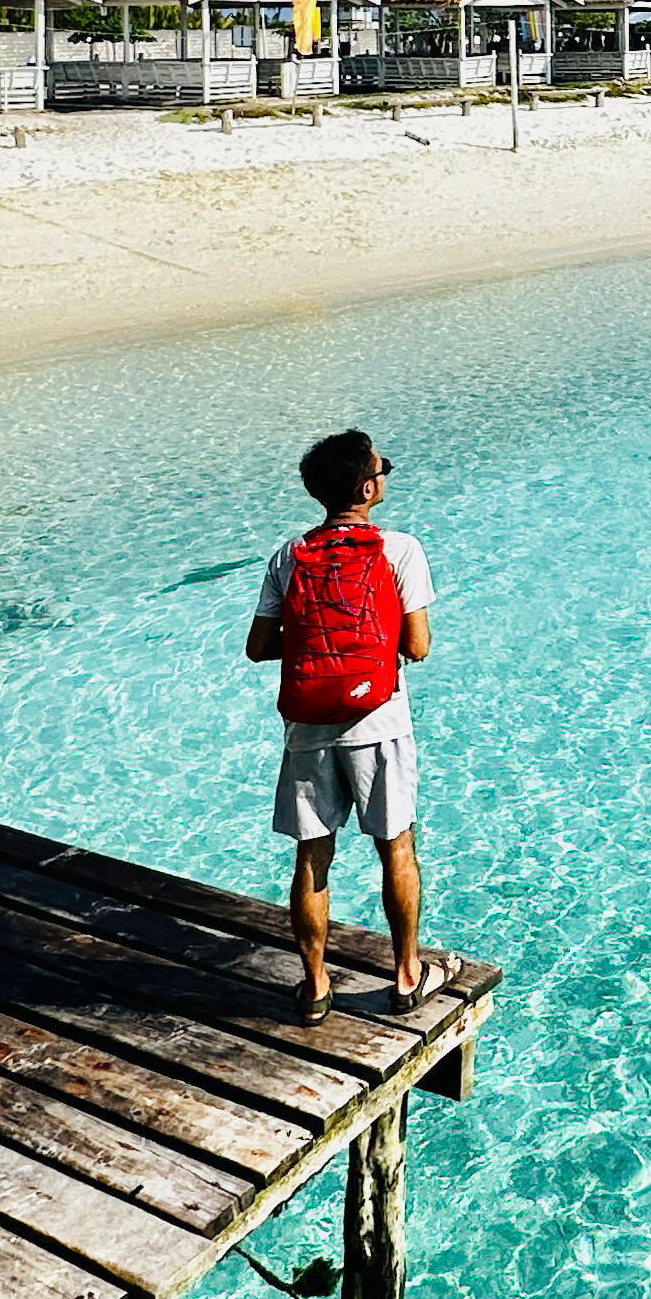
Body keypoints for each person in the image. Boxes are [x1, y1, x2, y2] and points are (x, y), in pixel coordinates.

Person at [244, 430, 462, 1021]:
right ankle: (406, 975)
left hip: (308, 727)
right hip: (380, 722)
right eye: (381, 469)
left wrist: (319, 651)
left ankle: (315, 988)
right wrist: (366, 651)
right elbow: (418, 647)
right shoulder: (401, 550)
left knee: (313, 857)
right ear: (369, 488)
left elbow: (258, 647)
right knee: (396, 849)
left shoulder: (289, 555)